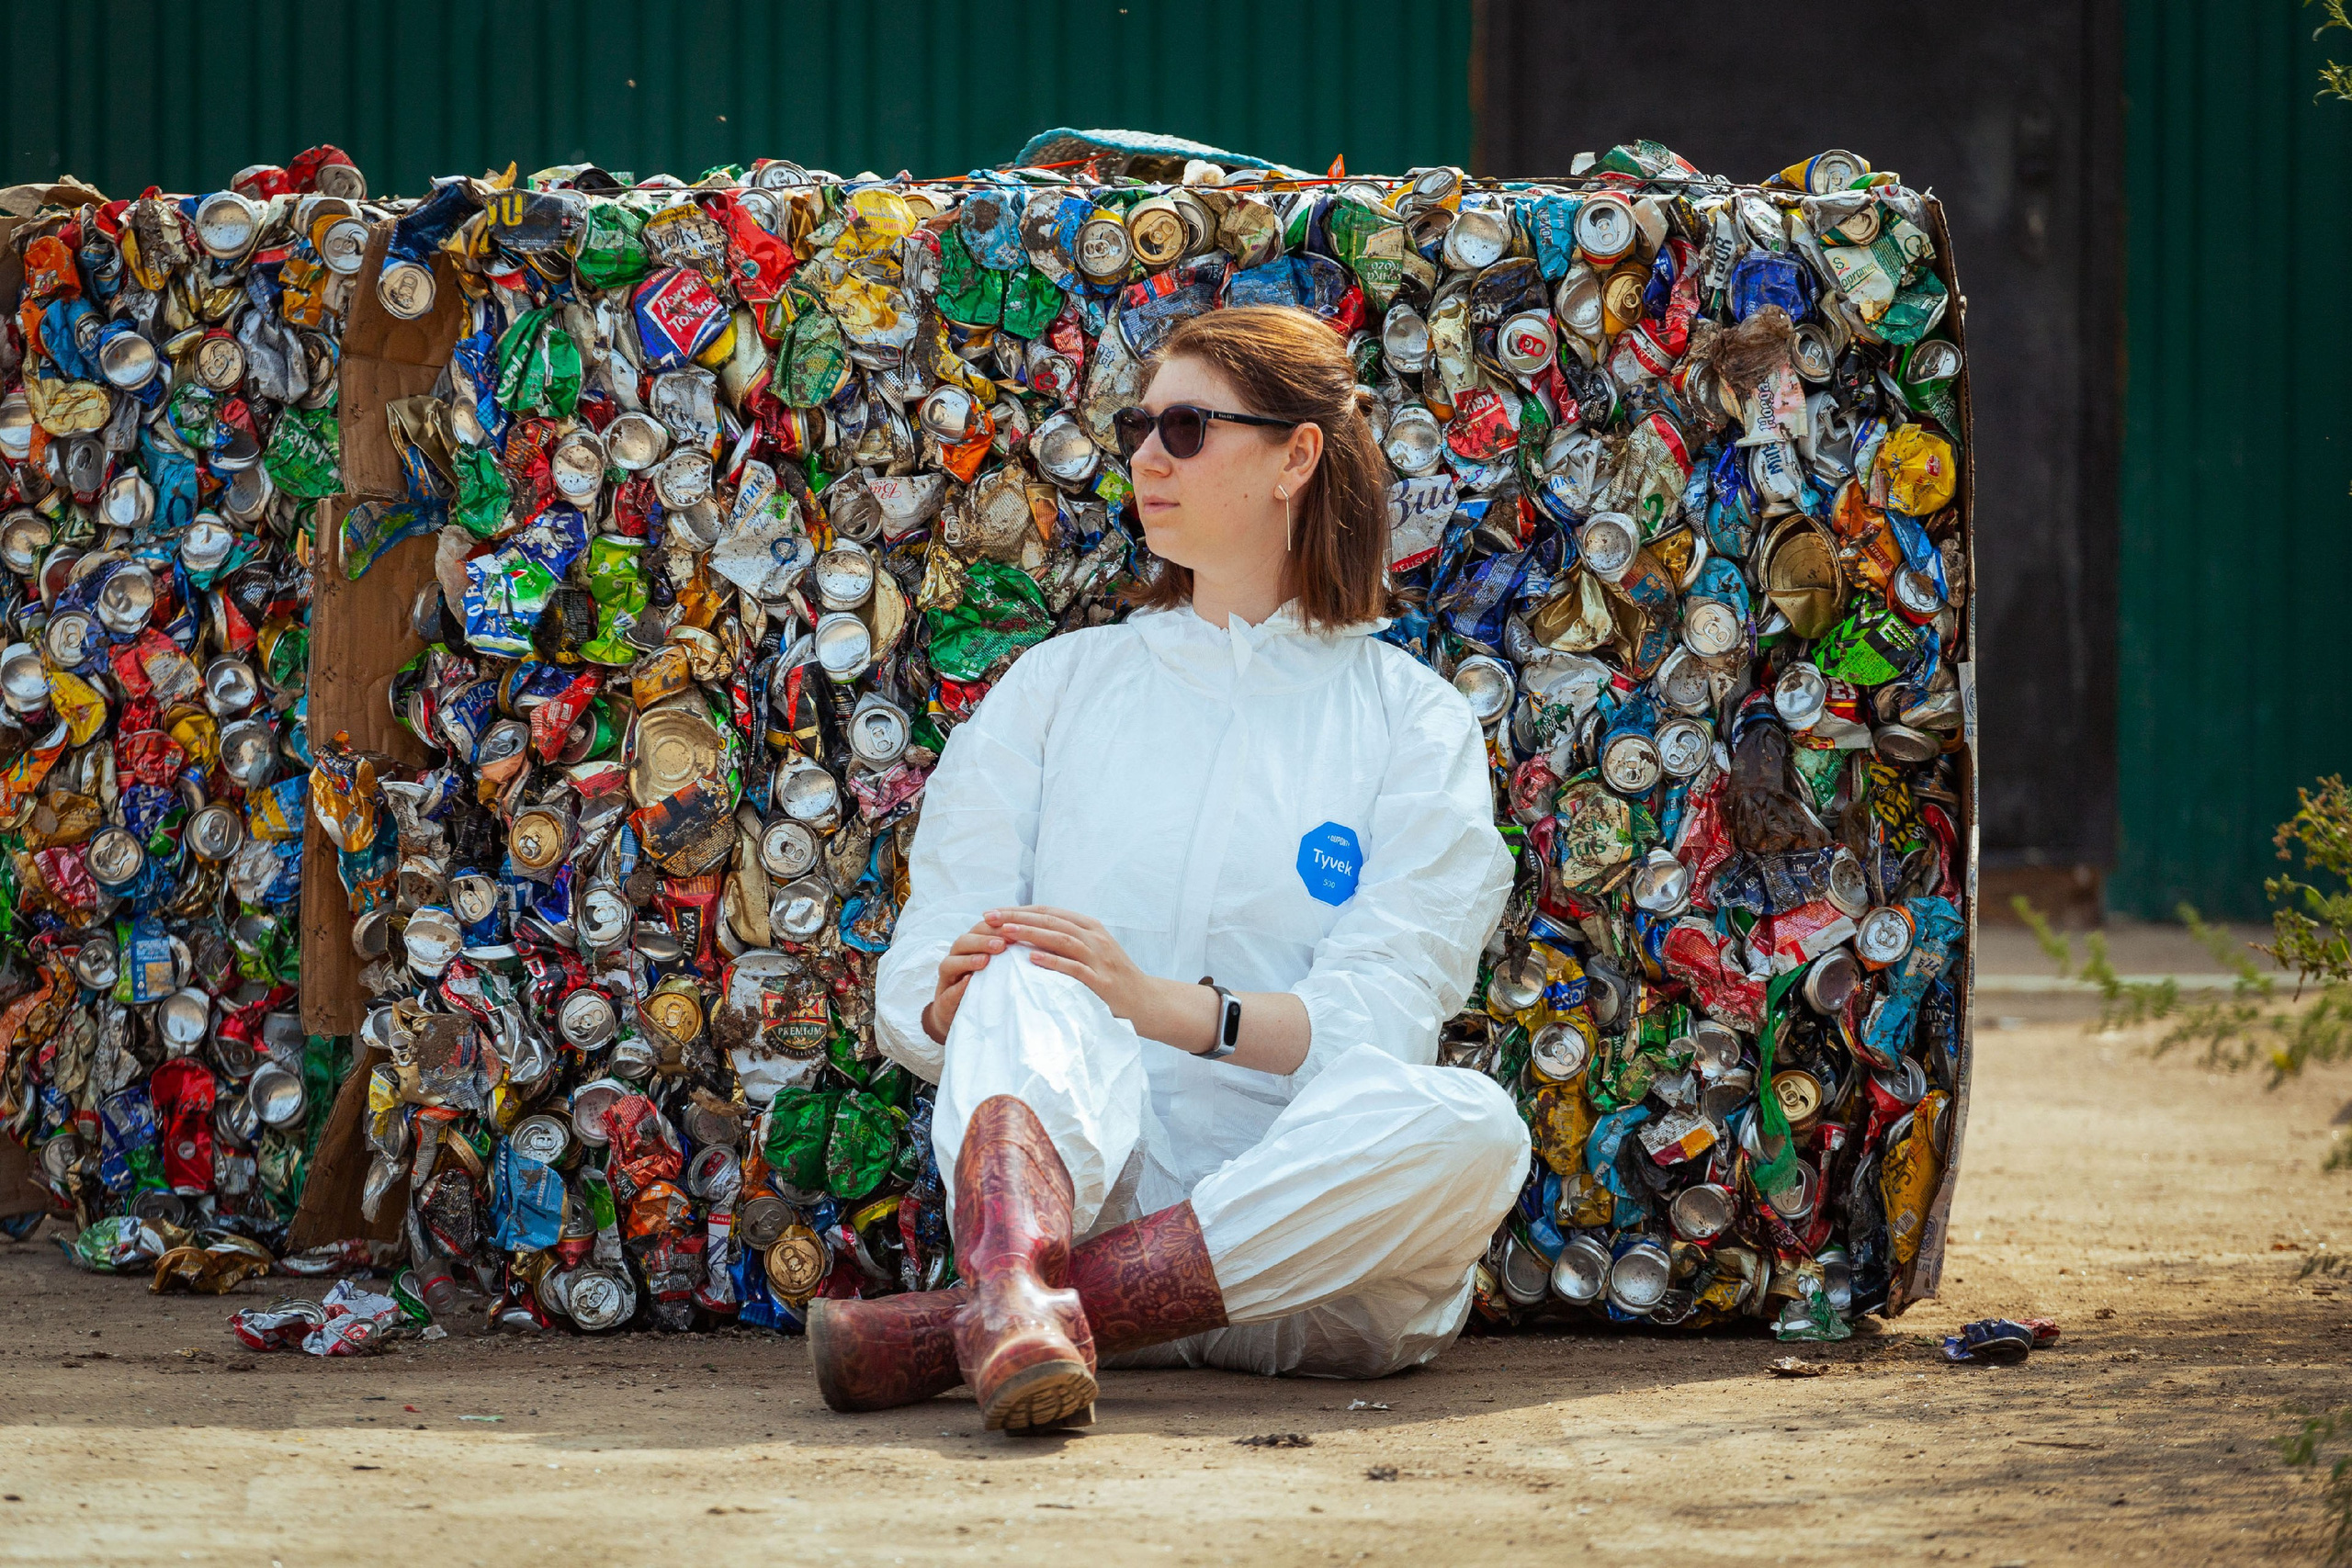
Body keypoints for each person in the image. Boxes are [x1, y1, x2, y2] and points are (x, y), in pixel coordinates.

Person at [808, 304, 1529, 1433]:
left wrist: (1164, 1007)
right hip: (1084, 1187)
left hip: (1306, 1249)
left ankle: (968, 1320)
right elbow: (924, 955)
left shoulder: (1412, 722)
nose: (1144, 456)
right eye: (1138, 426)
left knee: (1476, 1126)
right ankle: (1020, 1283)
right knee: (1026, 962)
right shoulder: (1059, 688)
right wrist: (952, 1004)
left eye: (1186, 428)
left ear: (1296, 454)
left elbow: (1379, 1019)